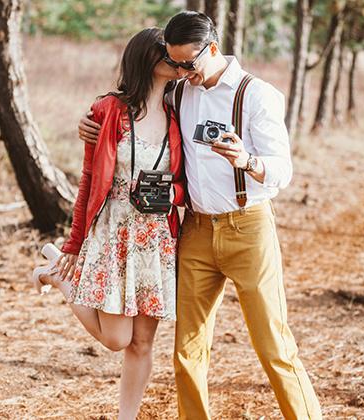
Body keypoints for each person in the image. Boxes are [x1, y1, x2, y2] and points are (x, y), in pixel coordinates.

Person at [77, 11, 322, 420]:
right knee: (187, 351)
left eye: (187, 64)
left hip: (248, 228)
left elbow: (283, 171)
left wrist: (247, 160)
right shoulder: (180, 92)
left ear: (211, 50)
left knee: (273, 346)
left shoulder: (257, 94)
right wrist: (90, 124)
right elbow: (137, 106)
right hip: (195, 231)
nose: (180, 72)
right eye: (174, 64)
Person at [32, 27, 185, 420]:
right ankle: (59, 275)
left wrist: (176, 199)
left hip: (156, 237)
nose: (176, 60)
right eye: (167, 54)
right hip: (114, 230)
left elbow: (185, 179)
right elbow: (88, 177)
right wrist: (72, 243)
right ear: (147, 58)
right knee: (118, 339)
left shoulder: (179, 113)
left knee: (143, 344)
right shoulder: (109, 110)